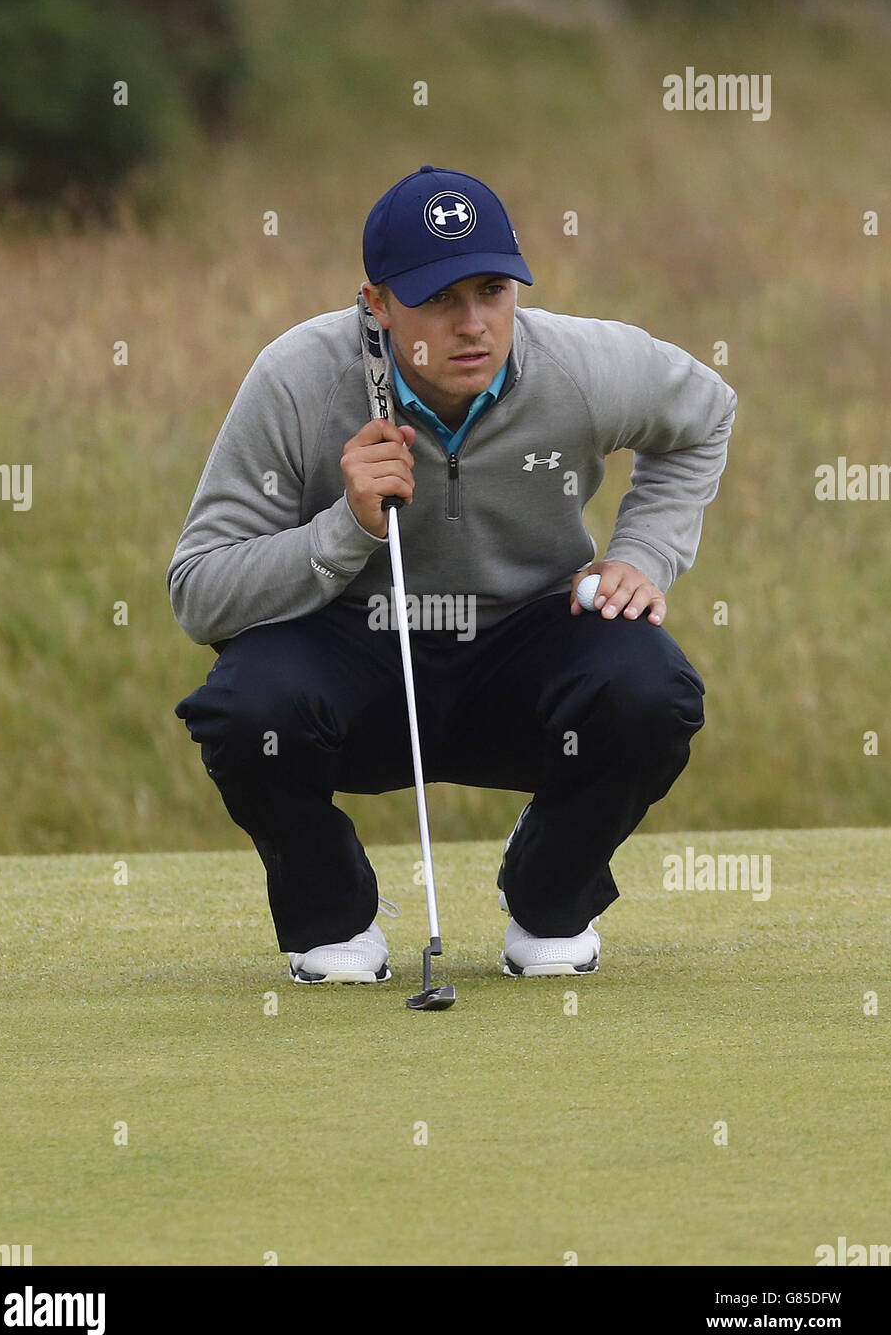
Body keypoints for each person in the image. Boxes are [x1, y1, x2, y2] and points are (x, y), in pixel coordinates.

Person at [168, 165, 736, 986]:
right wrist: (346, 528)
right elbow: (199, 591)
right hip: (354, 659)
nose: (472, 325)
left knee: (651, 690)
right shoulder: (296, 378)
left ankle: (548, 895)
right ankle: (331, 917)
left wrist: (642, 554)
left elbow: (704, 416)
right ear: (375, 304)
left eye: (492, 290)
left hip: (526, 652)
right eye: (438, 299)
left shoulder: (585, 364)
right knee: (244, 706)